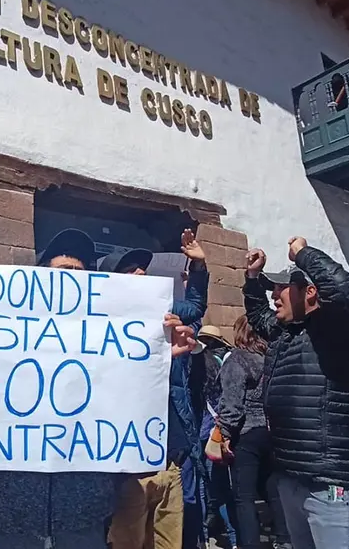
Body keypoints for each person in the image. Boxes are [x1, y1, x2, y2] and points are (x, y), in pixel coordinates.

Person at [0, 228, 198, 549]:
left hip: (85, 518)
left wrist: (154, 360)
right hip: (7, 515)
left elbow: (130, 428)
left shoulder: (108, 358)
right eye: (60, 273)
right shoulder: (5, 351)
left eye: (78, 274)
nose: (68, 279)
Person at [244, 237, 349, 549]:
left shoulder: (335, 330)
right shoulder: (286, 331)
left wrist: (303, 253)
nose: (274, 295)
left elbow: (347, 292)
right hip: (291, 478)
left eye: (281, 288)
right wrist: (251, 280)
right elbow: (259, 317)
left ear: (310, 292)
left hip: (329, 486)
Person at [104, 229, 209, 549]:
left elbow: (196, 306)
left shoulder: (165, 312)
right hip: (128, 467)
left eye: (142, 270)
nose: (139, 274)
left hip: (169, 456)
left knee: (169, 542)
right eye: (128, 271)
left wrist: (199, 267)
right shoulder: (99, 328)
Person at [215, 316, 290, 549]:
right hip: (271, 431)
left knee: (243, 496)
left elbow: (232, 401)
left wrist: (224, 432)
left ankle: (250, 544)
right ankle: (285, 539)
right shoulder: (272, 359)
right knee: (272, 488)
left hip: (245, 433)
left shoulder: (238, 358)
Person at [195, 326, 238, 549]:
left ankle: (202, 538)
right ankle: (234, 538)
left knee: (200, 490)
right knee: (221, 489)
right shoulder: (221, 364)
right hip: (216, 432)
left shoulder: (194, 364)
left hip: (198, 431)